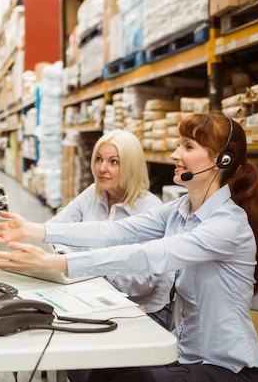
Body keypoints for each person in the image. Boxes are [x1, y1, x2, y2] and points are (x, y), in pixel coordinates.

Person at [0, 110, 258, 382]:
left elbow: (151, 255)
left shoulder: (228, 225)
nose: (175, 154)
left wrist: (56, 264)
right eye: (179, 145)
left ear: (222, 160)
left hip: (229, 369)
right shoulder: (179, 210)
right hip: (185, 357)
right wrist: (35, 229)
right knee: (97, 371)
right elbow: (118, 231)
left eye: (188, 147)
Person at [49, 130, 173, 328]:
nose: (102, 168)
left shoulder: (151, 209)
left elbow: (142, 283)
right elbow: (54, 231)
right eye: (98, 159)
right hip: (94, 296)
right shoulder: (93, 194)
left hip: (142, 310)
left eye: (113, 162)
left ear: (131, 167)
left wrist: (85, 262)